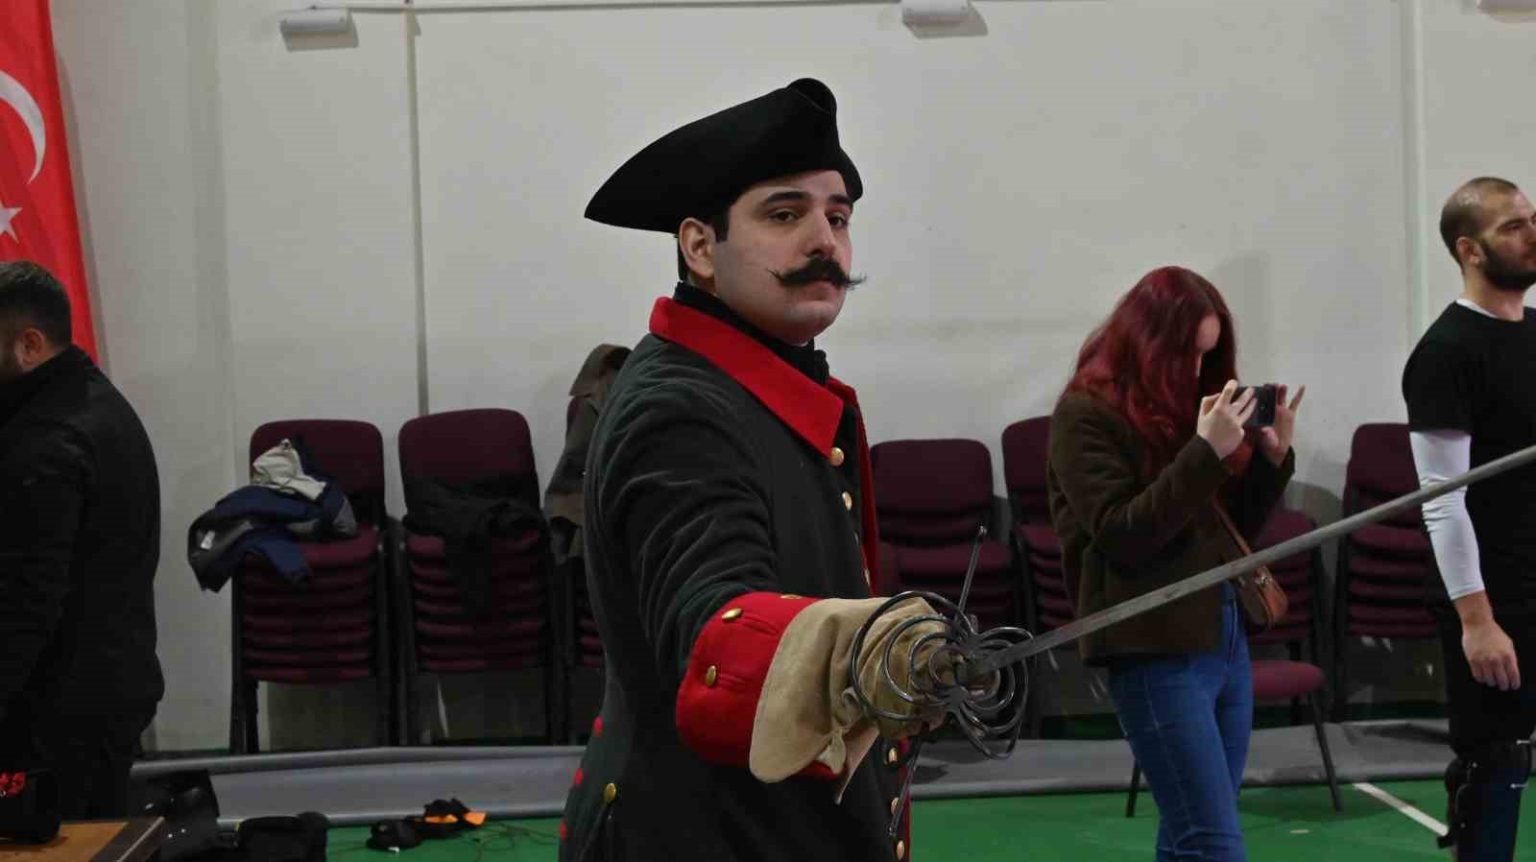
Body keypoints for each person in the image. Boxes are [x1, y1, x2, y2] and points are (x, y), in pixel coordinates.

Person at [559, 79, 944, 862]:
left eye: (838, 217)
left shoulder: (753, 385)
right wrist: (860, 651)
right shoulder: (681, 410)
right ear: (700, 248)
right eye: (784, 214)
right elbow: (715, 634)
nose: (824, 241)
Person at [1046, 266, 1302, 862]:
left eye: (1206, 355)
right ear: (1147, 342)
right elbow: (1123, 533)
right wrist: (1205, 452)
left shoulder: (1185, 408)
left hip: (1224, 634)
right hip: (1153, 646)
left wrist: (1271, 460)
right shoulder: (1085, 415)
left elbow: (1228, 532)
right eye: (1186, 353)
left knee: (1192, 833)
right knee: (1211, 842)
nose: (1195, 369)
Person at [1403, 176, 1536, 861]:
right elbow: (1442, 499)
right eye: (1513, 226)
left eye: (1531, 219)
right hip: (1499, 598)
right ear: (1469, 250)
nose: (1532, 234)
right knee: (1497, 765)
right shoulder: (1445, 353)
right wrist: (1477, 621)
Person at [0, 260, 163, 818]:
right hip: (102, 690)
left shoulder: (47, 442)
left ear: (29, 344)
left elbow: (25, 602)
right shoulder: (92, 401)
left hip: (59, 713)